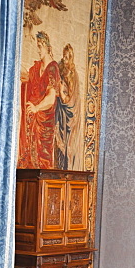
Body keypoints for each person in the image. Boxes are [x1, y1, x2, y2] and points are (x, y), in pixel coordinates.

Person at [19, 31, 61, 168]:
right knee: (29, 157)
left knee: (42, 157)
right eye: (37, 46)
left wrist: (37, 108)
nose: (37, 50)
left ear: (46, 46)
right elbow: (26, 78)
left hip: (44, 121)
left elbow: (51, 97)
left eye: (39, 46)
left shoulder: (53, 68)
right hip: (32, 119)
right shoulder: (36, 68)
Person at [55, 43, 83, 170]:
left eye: (67, 58)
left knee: (67, 146)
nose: (64, 60)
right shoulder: (61, 68)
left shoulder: (72, 76)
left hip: (69, 116)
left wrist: (61, 92)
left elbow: (69, 101)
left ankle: (66, 168)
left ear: (70, 58)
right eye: (63, 57)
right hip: (60, 113)